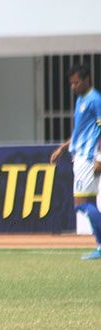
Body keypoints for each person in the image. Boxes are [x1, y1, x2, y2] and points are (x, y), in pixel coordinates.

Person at [50, 63, 101, 259]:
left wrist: (99, 158)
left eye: (76, 82)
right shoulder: (81, 100)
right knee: (88, 203)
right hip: (79, 155)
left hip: (88, 158)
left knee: (81, 203)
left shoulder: (95, 100)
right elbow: (81, 132)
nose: (73, 87)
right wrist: (63, 147)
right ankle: (99, 246)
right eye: (71, 83)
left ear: (87, 80)